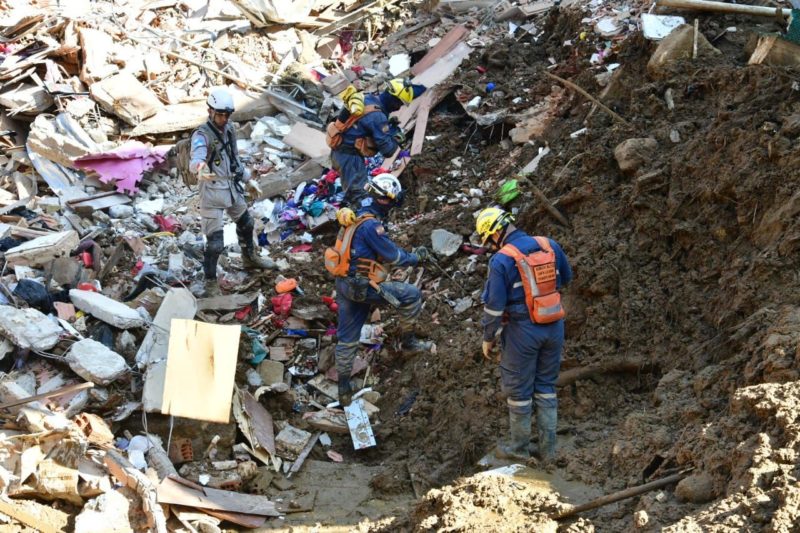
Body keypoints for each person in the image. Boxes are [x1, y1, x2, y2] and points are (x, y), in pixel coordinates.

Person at [476, 207, 572, 462]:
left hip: (522, 331)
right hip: (554, 326)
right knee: (546, 386)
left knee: (519, 391)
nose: (490, 246)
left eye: (488, 240)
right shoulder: (549, 245)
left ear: (494, 232)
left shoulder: (501, 260)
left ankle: (519, 450)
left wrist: (488, 337)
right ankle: (549, 451)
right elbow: (567, 278)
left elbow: (494, 307)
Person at [327, 173, 432, 406]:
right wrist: (416, 257)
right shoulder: (372, 226)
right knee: (411, 295)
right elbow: (394, 256)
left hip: (344, 284)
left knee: (347, 337)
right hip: (365, 287)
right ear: (387, 199)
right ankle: (409, 343)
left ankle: (343, 388)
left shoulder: (356, 213)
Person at [189, 87, 274, 296]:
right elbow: (197, 157)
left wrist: (248, 180)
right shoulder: (202, 135)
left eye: (227, 115)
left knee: (247, 223)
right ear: (210, 112)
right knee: (215, 244)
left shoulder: (229, 130)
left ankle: (249, 257)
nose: (224, 119)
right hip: (212, 192)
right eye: (220, 115)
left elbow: (234, 158)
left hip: (231, 188)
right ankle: (210, 282)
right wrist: (199, 167)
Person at [330, 78, 425, 208]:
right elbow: (388, 151)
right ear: (392, 98)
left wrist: (388, 126)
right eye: (399, 103)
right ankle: (363, 217)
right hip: (349, 157)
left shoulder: (368, 98)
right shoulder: (377, 116)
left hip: (340, 152)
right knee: (358, 194)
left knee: (354, 190)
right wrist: (396, 137)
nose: (398, 107)